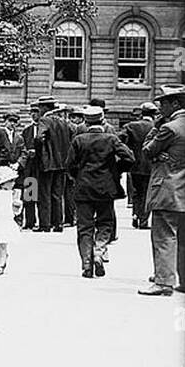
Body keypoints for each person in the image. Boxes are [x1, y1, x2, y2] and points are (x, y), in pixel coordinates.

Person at [66, 104, 133, 278]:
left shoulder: (78, 140)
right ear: (103, 120)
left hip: (83, 188)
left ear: (86, 122)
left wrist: (78, 176)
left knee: (84, 227)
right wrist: (116, 170)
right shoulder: (111, 139)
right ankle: (99, 250)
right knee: (105, 223)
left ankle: (86, 265)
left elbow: (70, 165)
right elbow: (130, 158)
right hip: (106, 188)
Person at [138, 85, 185, 297]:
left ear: (175, 104)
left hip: (168, 189)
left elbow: (147, 150)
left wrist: (157, 125)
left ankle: (163, 282)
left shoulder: (169, 128)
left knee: (163, 237)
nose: (161, 107)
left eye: (164, 103)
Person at [23, 96, 74, 232]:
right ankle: (58, 224)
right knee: (57, 195)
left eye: (39, 107)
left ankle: (45, 224)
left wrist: (38, 151)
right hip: (61, 164)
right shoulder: (64, 122)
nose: (38, 110)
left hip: (47, 163)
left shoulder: (45, 120)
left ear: (45, 108)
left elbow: (39, 138)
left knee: (44, 194)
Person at [123, 102, 158, 229]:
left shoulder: (131, 126)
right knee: (148, 193)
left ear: (142, 113)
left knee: (137, 192)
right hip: (151, 165)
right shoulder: (157, 126)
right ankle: (143, 220)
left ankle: (135, 214)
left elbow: (121, 141)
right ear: (154, 114)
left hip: (135, 165)